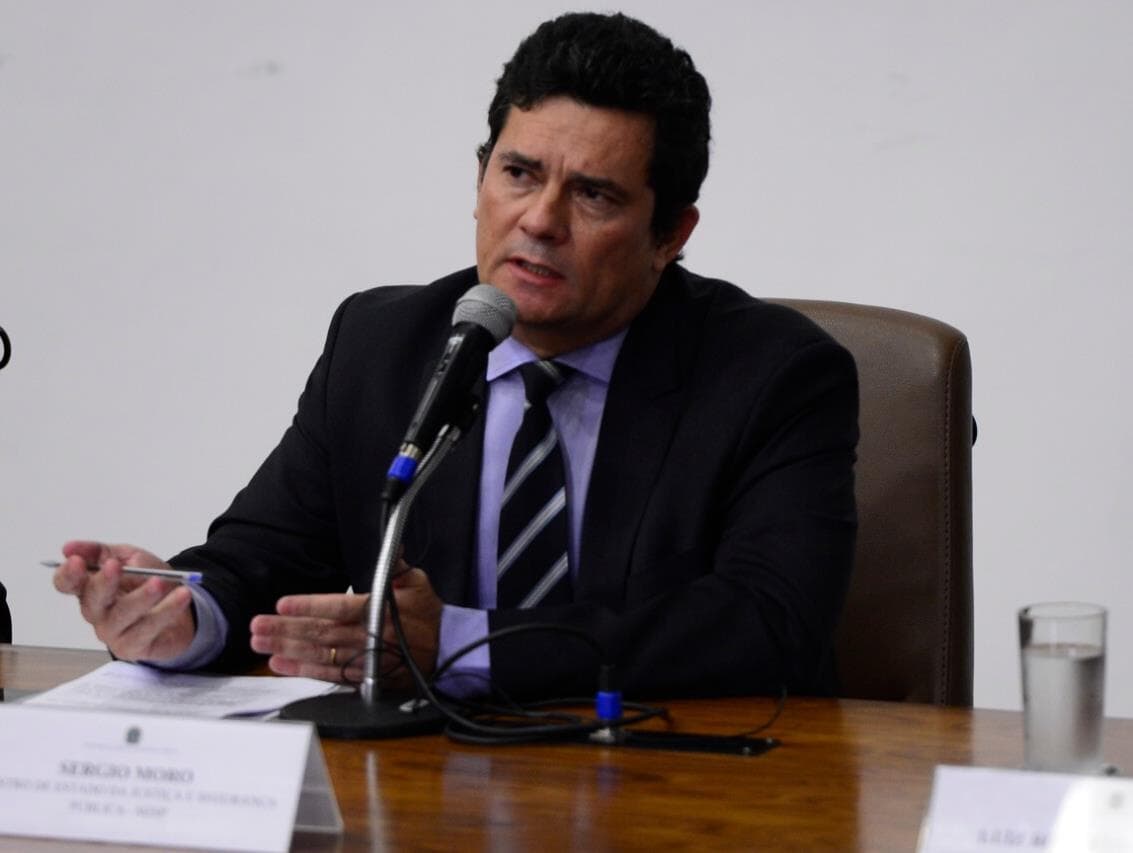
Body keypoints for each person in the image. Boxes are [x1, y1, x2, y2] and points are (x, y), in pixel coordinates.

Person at [53, 12, 858, 700]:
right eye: (519, 173)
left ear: (669, 235)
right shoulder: (382, 344)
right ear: (480, 181)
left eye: (593, 194)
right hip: (427, 783)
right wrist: (178, 615)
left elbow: (768, 622)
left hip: (677, 787)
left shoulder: (772, 375)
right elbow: (263, 556)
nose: (539, 220)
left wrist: (465, 645)